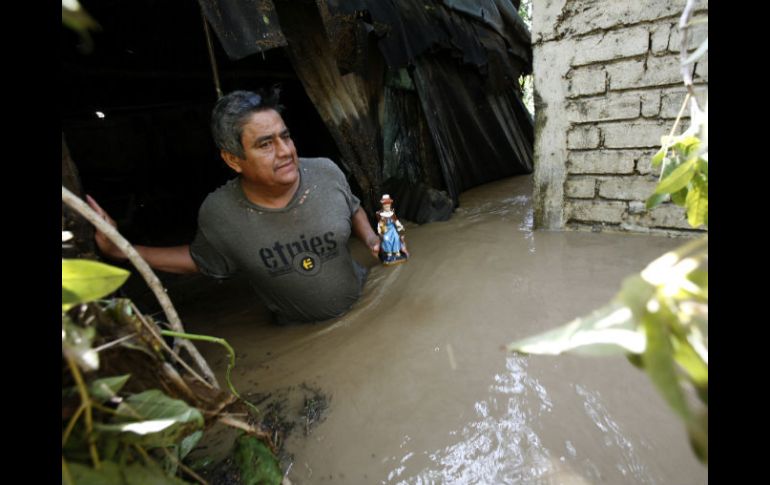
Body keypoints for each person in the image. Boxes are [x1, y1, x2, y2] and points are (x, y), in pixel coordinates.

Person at [87, 88, 381, 324]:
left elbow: (352, 207)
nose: (285, 151)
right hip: (296, 331)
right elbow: (199, 261)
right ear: (232, 159)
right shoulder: (220, 213)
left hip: (367, 303)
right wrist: (122, 250)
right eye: (265, 145)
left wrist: (369, 238)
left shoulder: (326, 172)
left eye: (285, 136)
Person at [376, 194, 408, 265]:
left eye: (388, 205)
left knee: (396, 238)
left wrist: (400, 226)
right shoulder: (380, 214)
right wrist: (381, 230)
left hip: (392, 229)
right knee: (386, 239)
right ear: (383, 205)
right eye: (385, 205)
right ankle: (389, 254)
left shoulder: (392, 213)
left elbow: (396, 221)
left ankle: (397, 253)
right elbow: (380, 224)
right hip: (386, 230)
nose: (387, 206)